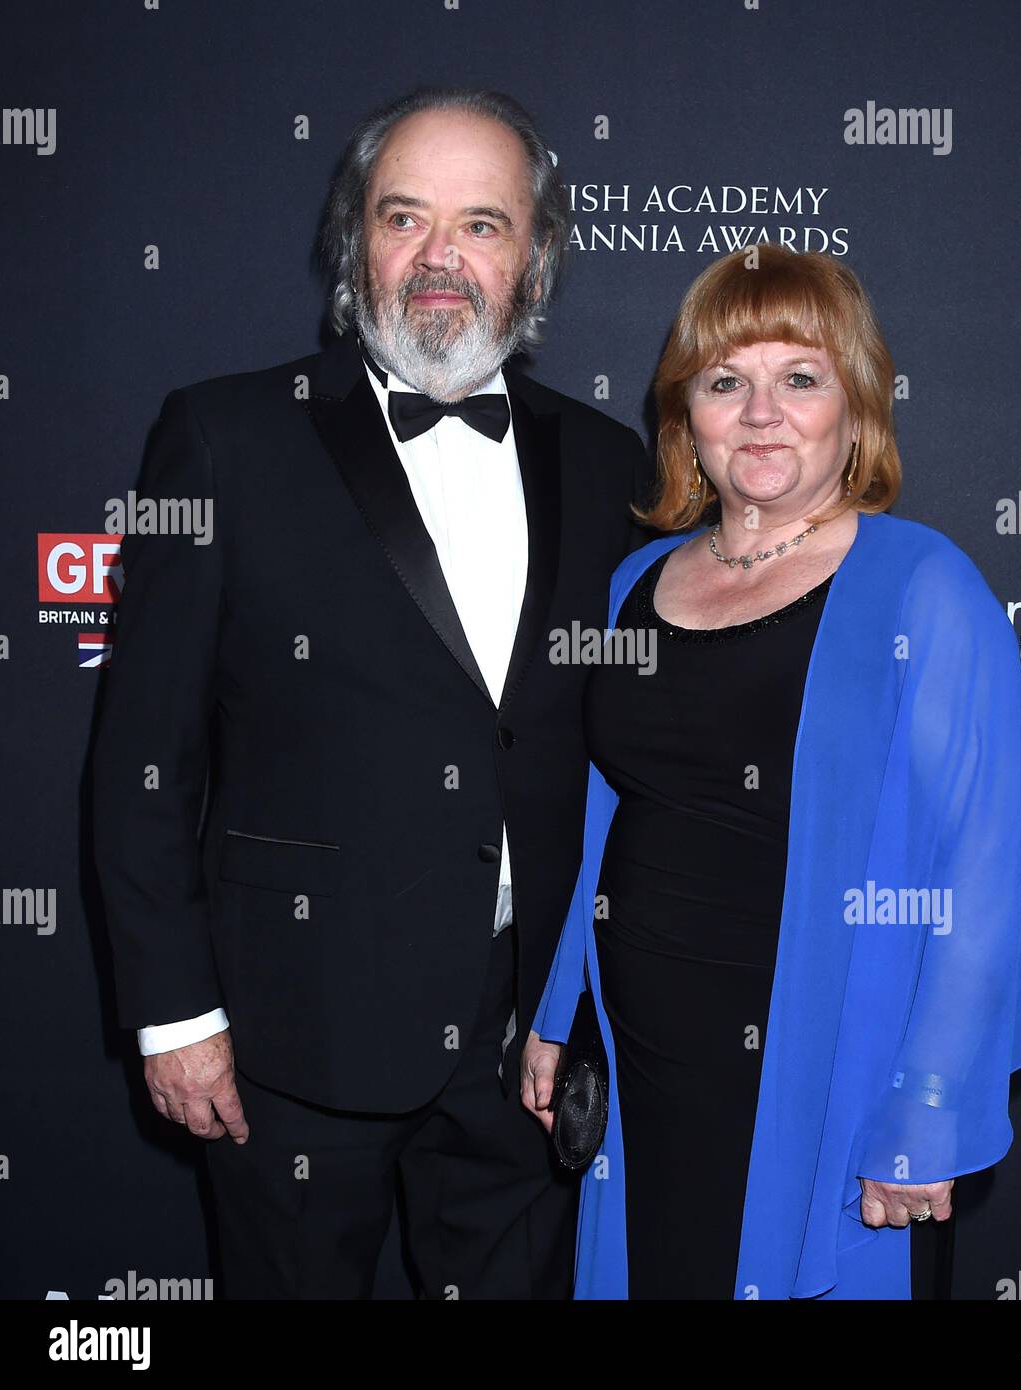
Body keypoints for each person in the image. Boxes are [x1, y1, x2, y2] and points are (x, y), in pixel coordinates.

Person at [92, 86, 651, 1300]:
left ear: (537, 255)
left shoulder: (614, 466)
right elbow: (144, 759)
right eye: (405, 218)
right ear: (356, 244)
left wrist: (595, 1000)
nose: (440, 258)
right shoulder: (225, 438)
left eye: (483, 224)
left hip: (534, 1044)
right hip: (292, 1038)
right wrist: (175, 1015)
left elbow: (631, 755)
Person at [521, 244, 1021, 1300]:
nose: (761, 412)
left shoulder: (924, 586)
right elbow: (603, 819)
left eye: (799, 378)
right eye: (726, 382)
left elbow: (984, 877)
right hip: (640, 1057)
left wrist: (928, 1107)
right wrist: (557, 1014)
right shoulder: (635, 581)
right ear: (686, 418)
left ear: (854, 407)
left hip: (830, 1070)